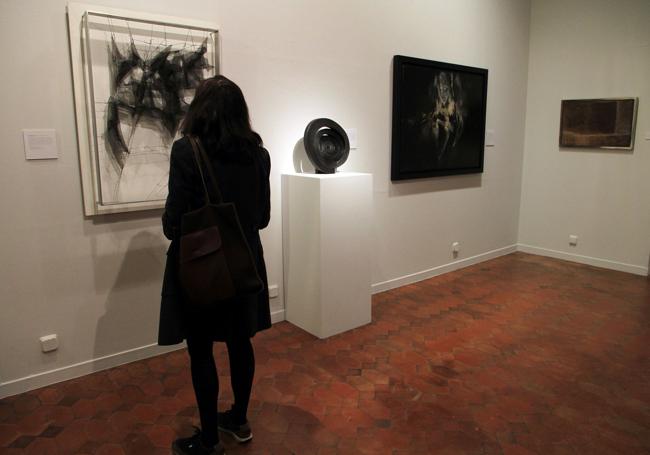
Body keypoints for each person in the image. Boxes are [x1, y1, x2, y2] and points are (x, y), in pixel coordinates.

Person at [158, 75, 272, 455]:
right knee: (240, 341)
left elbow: (174, 225)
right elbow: (263, 217)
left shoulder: (186, 151)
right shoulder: (260, 155)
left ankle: (208, 440)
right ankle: (238, 419)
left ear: (199, 111)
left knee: (202, 349)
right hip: (244, 263)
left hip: (202, 266)